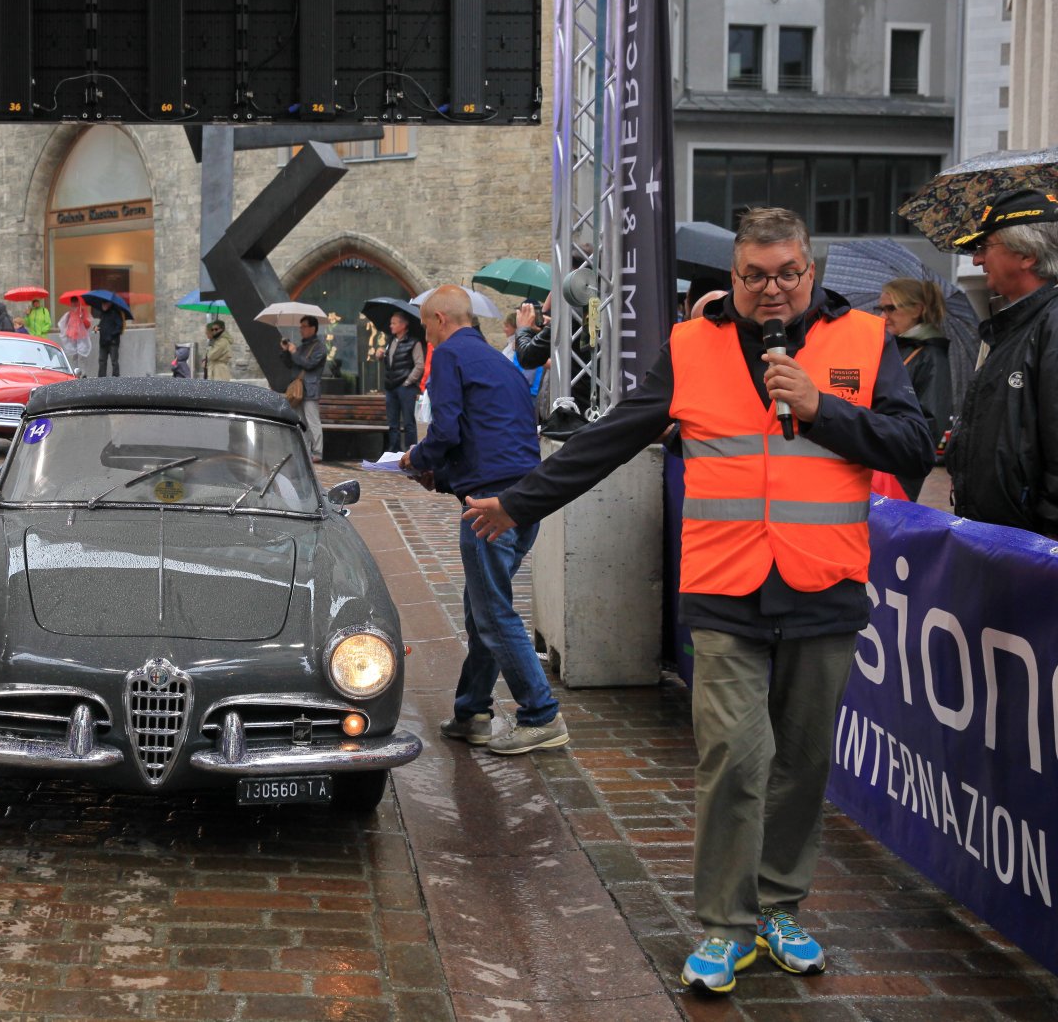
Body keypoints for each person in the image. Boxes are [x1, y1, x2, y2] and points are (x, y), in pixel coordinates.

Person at [462, 208, 933, 994]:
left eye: (787, 273)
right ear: (734, 276)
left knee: (802, 762)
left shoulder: (864, 339)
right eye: (755, 276)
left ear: (810, 271)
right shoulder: (691, 345)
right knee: (734, 758)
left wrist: (822, 408)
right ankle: (725, 924)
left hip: (824, 585)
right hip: (726, 587)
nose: (773, 289)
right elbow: (611, 436)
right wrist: (519, 502)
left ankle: (779, 906)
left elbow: (915, 443)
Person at [394, 285, 562, 761]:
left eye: (426, 325)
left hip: (490, 505)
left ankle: (541, 714)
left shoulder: (450, 356)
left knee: (492, 614)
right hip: (524, 498)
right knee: (482, 608)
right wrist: (442, 476)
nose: (426, 335)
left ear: (440, 319)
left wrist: (414, 459)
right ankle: (473, 712)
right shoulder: (500, 362)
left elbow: (446, 431)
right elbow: (490, 437)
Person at [946, 188, 1058, 538]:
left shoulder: (1051, 324)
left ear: (1026, 255)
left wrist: (1049, 542)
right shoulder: (1016, 324)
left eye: (985, 247)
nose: (977, 260)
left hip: (1032, 546)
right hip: (1003, 538)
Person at [876, 278, 953, 501]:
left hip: (895, 470)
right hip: (878, 459)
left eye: (891, 308)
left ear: (917, 310)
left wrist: (877, 433)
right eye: (881, 309)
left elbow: (930, 425)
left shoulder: (931, 355)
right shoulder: (894, 347)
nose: (883, 316)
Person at [281, 315, 327, 461]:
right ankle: (305, 451)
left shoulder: (319, 347)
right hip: (298, 391)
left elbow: (309, 364)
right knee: (301, 422)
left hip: (310, 389)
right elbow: (291, 365)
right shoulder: (301, 347)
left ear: (313, 328)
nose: (301, 330)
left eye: (304, 327)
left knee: (313, 421)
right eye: (300, 327)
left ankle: (317, 452)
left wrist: (294, 352)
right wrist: (286, 351)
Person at [381, 310, 424, 451]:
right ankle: (394, 451)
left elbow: (419, 365)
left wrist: (408, 381)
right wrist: (381, 355)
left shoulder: (414, 342)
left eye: (394, 323)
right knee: (393, 424)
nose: (391, 326)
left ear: (403, 325)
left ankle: (410, 451)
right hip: (391, 386)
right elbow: (390, 362)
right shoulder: (390, 341)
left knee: (409, 423)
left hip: (406, 388)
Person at [57, 298, 94, 363]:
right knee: (74, 356)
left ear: (78, 302)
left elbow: (88, 325)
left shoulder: (83, 312)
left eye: (75, 302)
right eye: (72, 302)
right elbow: (64, 324)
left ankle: (81, 368)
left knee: (81, 355)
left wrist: (83, 319)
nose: (74, 304)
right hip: (71, 337)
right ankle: (75, 368)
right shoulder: (69, 314)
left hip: (81, 337)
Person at [95, 298, 126, 376]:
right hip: (103, 342)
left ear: (109, 304)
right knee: (102, 361)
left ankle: (115, 378)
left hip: (113, 342)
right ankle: (101, 378)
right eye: (102, 304)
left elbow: (119, 327)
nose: (103, 306)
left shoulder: (115, 314)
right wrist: (96, 327)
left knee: (114, 361)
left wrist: (111, 335)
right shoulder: (103, 314)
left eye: (105, 304)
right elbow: (102, 325)